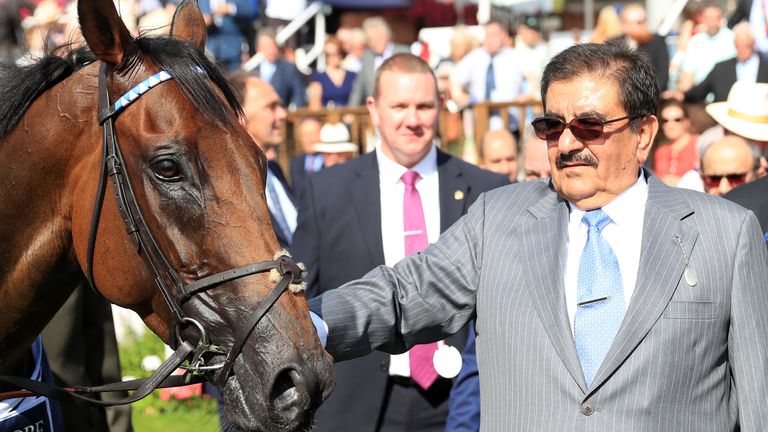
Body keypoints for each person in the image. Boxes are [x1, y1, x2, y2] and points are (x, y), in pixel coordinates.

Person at [308, 41, 768, 431]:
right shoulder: (496, 220)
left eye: (589, 126)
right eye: (552, 127)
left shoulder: (724, 235)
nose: (567, 144)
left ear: (643, 133)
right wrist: (307, 323)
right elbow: (402, 295)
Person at [292, 53, 508, 432]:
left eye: (424, 106)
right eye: (400, 106)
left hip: (462, 401)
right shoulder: (327, 192)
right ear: (374, 109)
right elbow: (302, 298)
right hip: (357, 403)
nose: (413, 119)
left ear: (440, 107)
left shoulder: (487, 190)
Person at [231, 72, 297, 248]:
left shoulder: (275, 171)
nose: (282, 114)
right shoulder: (231, 188)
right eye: (272, 107)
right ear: (240, 116)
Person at [450, 20, 528, 132]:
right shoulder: (475, 57)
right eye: (487, 35)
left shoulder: (515, 56)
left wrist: (527, 95)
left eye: (494, 35)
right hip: (481, 122)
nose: (489, 40)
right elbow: (455, 78)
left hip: (509, 123)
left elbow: (534, 80)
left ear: (503, 35)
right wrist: (459, 95)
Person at [346, 17, 409, 107]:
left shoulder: (403, 53)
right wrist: (350, 111)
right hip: (375, 110)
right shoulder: (367, 56)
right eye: (369, 40)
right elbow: (359, 87)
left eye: (375, 38)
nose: (372, 43)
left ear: (386, 36)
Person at [676, 3, 735, 92]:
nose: (712, 21)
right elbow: (687, 73)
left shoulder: (732, 38)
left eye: (715, 18)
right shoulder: (695, 42)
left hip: (725, 91)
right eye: (708, 18)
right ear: (703, 19)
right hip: (700, 93)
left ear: (720, 19)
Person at [615, 3, 669, 91]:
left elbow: (662, 77)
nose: (645, 25)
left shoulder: (656, 42)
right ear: (624, 26)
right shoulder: (614, 44)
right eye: (639, 22)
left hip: (650, 98)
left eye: (645, 21)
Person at [254, 29, 306, 108]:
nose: (271, 50)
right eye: (266, 47)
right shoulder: (252, 72)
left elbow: (299, 97)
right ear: (258, 49)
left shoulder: (289, 69)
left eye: (273, 46)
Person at [199, 0, 256, 71]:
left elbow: (252, 10)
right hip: (209, 49)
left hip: (234, 50)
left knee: (235, 79)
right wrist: (200, 21)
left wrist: (231, 8)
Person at [653, 99, 698, 186]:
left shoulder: (698, 145)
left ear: (687, 122)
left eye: (677, 120)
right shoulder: (660, 152)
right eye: (665, 120)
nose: (671, 125)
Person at [308, 37, 358, 109]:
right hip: (327, 117)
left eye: (335, 53)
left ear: (341, 53)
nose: (332, 57)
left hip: (348, 116)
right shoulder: (318, 77)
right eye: (328, 54)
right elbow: (314, 104)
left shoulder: (352, 76)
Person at [289, 117, 322, 198]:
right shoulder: (295, 163)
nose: (310, 139)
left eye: (314, 133)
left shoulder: (330, 161)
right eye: (305, 135)